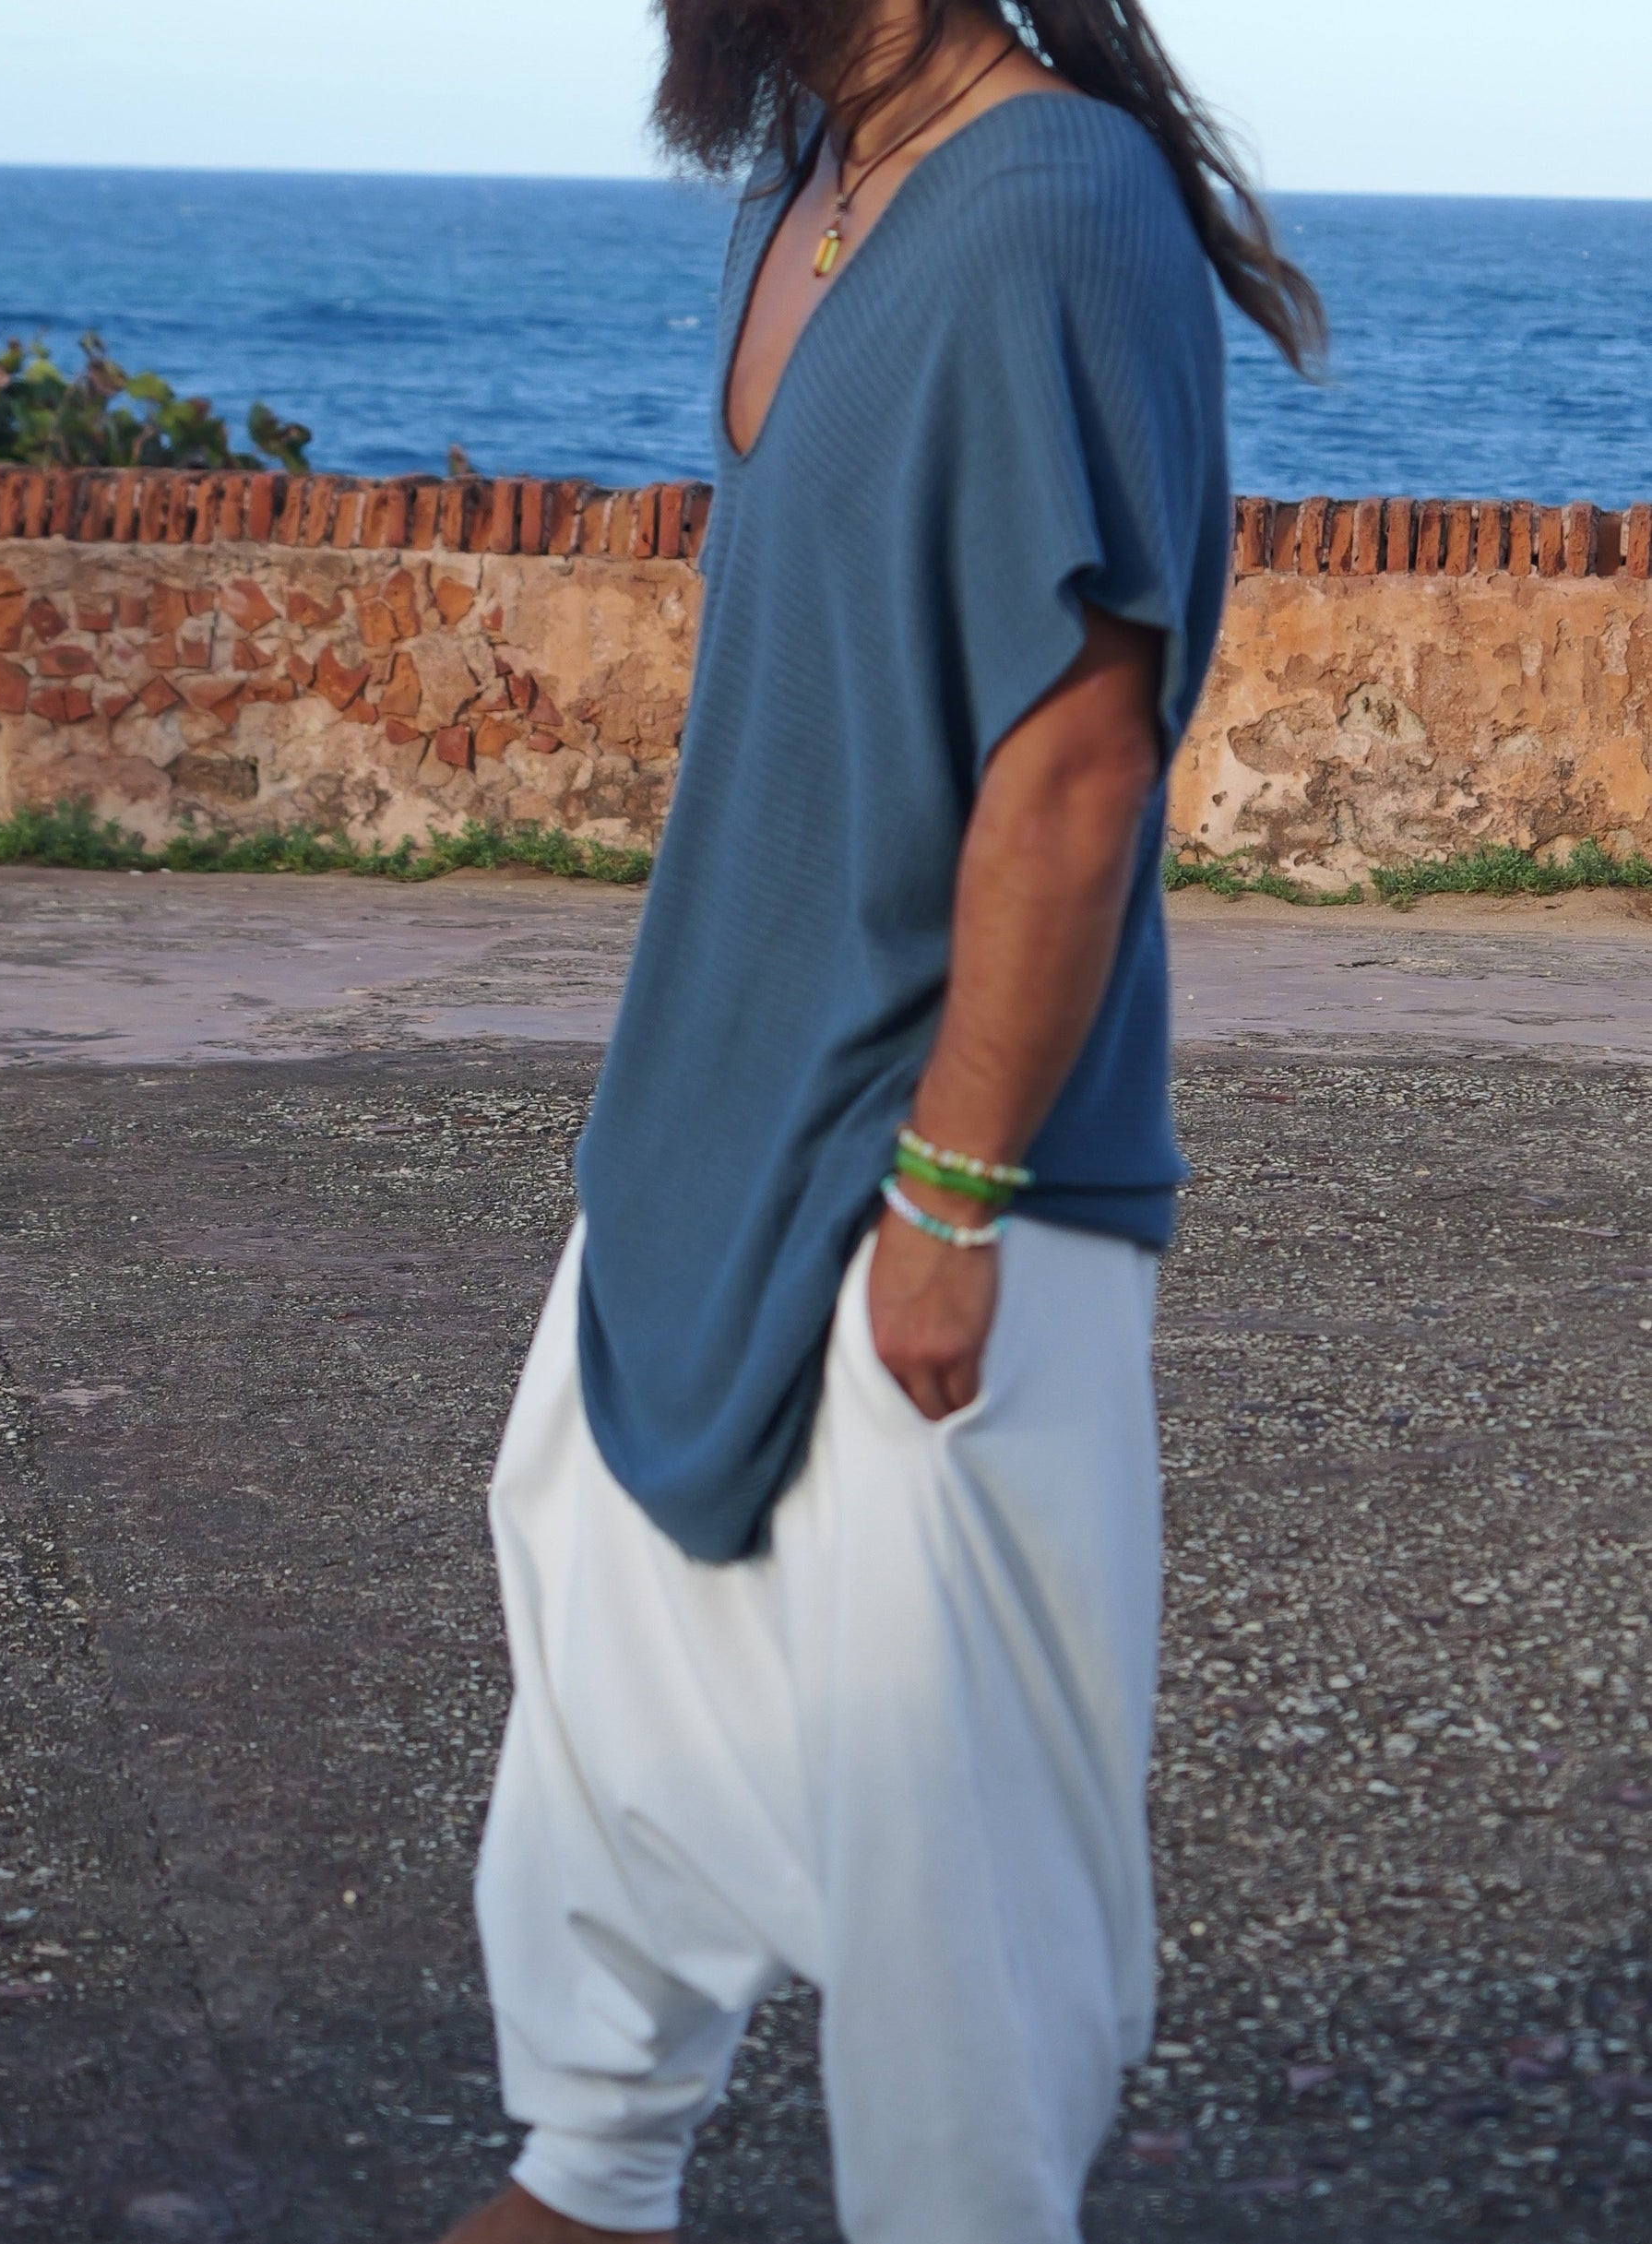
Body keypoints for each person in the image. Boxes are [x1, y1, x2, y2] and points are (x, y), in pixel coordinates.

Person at [442, 3, 1321, 2238]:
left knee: (962, 1898)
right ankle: (589, 2175)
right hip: (705, 1123)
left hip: (947, 1171)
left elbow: (1082, 753)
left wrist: (950, 1187)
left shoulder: (1048, 204)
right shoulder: (814, 182)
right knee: (605, 1702)